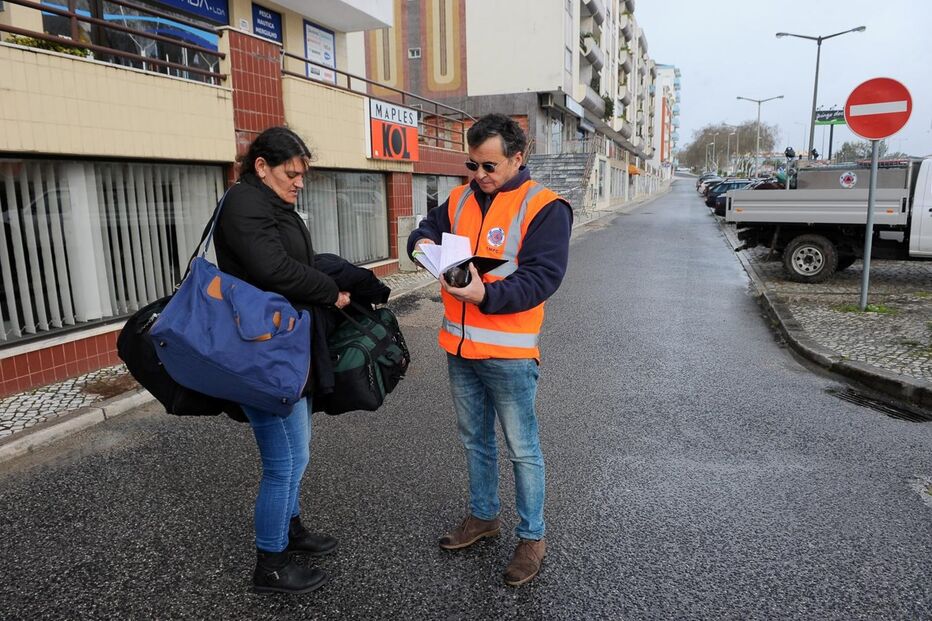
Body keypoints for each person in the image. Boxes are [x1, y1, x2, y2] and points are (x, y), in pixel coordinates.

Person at [407, 113, 572, 586]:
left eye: (489, 166)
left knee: (522, 449)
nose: (478, 176)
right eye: (472, 165)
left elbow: (542, 278)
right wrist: (422, 246)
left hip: (508, 353)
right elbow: (426, 230)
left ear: (518, 158)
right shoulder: (459, 197)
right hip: (459, 347)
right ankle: (483, 517)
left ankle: (532, 536)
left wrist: (486, 295)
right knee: (474, 441)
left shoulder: (545, 206)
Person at [213, 126, 351, 594]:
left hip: (284, 344)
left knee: (298, 451)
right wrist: (332, 292)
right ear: (261, 167)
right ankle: (269, 564)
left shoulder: (271, 204)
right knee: (283, 462)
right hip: (262, 352)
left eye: (302, 175)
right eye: (291, 173)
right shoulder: (244, 203)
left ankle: (290, 529)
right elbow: (273, 269)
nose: (299, 182)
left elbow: (296, 262)